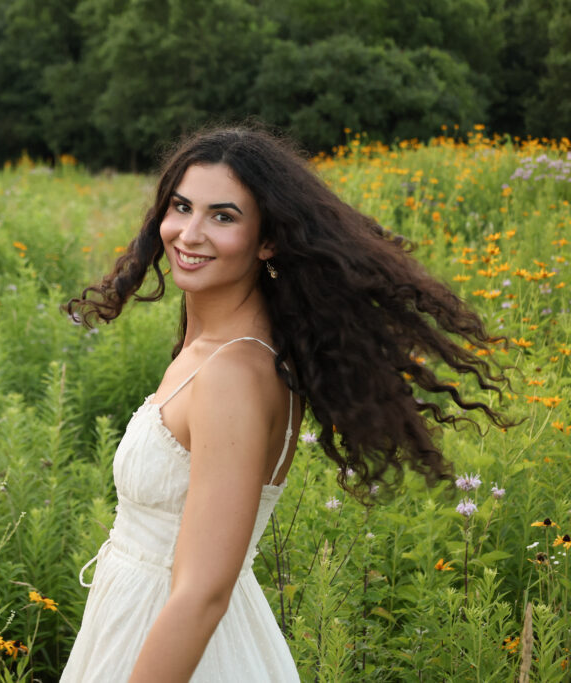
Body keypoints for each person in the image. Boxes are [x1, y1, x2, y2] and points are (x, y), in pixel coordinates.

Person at [59, 125, 510, 682]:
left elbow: (204, 591)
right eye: (181, 207)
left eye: (223, 217)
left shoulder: (233, 373)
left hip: (179, 650)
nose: (189, 233)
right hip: (137, 623)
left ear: (267, 240)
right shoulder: (215, 349)